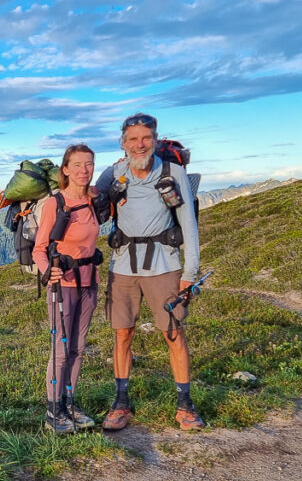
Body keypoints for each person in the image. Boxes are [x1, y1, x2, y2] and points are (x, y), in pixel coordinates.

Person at [95, 112, 204, 431]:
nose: (139, 144)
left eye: (146, 138)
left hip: (165, 265)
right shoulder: (113, 173)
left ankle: (185, 406)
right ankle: (121, 403)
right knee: (122, 332)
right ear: (123, 143)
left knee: (172, 332)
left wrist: (190, 271)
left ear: (155, 140)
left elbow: (188, 223)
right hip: (123, 266)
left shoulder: (173, 172)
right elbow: (90, 207)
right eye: (132, 139)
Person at [33, 143, 101, 433]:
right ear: (65, 169)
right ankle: (54, 410)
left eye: (89, 164)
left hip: (90, 282)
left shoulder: (95, 199)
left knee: (78, 348)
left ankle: (70, 403)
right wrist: (49, 271)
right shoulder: (54, 204)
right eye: (77, 165)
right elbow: (39, 248)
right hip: (63, 286)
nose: (84, 170)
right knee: (60, 351)